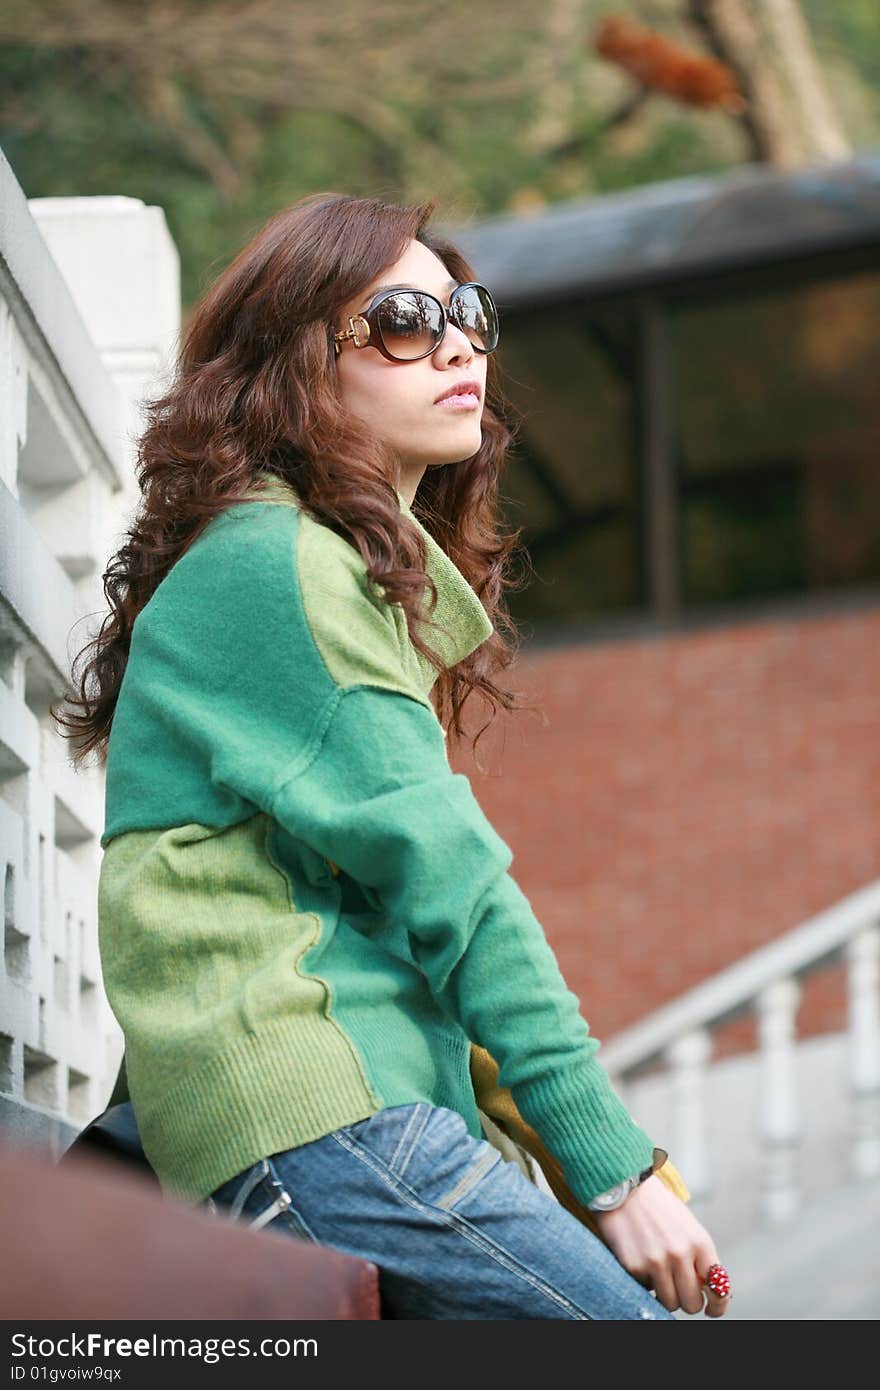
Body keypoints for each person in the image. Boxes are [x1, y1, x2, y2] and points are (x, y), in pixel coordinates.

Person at [53, 191, 730, 1321]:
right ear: (292, 367)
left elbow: (401, 929)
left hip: (344, 1125)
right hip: (326, 1125)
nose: (459, 340)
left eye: (466, 313)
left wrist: (575, 1154)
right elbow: (457, 890)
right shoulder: (279, 565)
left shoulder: (314, 573)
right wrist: (612, 1168)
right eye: (405, 320)